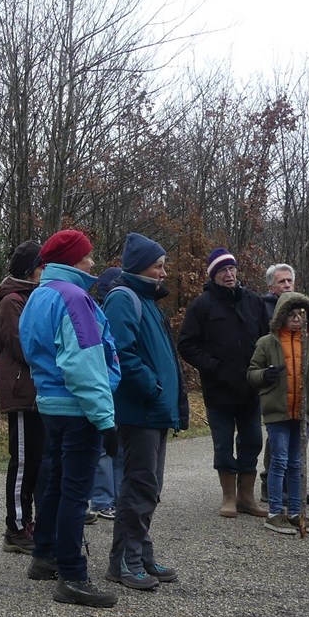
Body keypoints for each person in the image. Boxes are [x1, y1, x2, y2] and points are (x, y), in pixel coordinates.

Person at [18, 228, 122, 608]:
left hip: (51, 403)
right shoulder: (74, 297)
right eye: (87, 257)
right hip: (79, 407)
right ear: (72, 261)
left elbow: (35, 352)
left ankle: (44, 556)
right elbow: (85, 363)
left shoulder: (39, 295)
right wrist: (105, 419)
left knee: (58, 484)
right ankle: (73, 575)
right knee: (76, 492)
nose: (92, 263)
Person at [102, 234, 187, 590]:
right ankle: (125, 561)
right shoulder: (124, 299)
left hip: (154, 410)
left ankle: (141, 553)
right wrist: (152, 388)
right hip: (138, 411)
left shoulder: (148, 301)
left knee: (150, 486)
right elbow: (121, 352)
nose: (164, 272)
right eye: (158, 265)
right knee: (139, 486)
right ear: (140, 267)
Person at [177, 247, 269, 518]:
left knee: (252, 440)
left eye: (231, 269)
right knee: (223, 443)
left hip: (251, 388)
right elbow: (187, 345)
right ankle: (228, 497)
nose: (228, 275)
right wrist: (214, 367)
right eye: (222, 271)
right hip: (218, 389)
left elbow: (267, 339)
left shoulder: (253, 301)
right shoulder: (201, 305)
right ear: (213, 275)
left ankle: (247, 498)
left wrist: (263, 370)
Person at [248, 292, 309, 534]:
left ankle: (295, 512)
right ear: (281, 316)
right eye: (292, 315)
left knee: (296, 463)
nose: (297, 320)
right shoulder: (267, 342)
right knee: (279, 461)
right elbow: (252, 372)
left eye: (301, 316)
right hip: (278, 412)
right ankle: (274, 512)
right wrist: (265, 375)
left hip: (303, 412)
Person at [0, 239, 44, 554]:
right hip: (22, 391)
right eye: (42, 266)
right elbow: (22, 345)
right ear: (32, 269)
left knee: (37, 461)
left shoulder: (29, 297)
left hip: (36, 392)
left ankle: (28, 522)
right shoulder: (12, 301)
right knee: (24, 461)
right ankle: (16, 527)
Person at [88, 265, 126, 522]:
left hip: (117, 384)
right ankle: (102, 499)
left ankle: (118, 497)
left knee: (118, 445)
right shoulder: (97, 312)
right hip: (104, 385)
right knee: (104, 446)